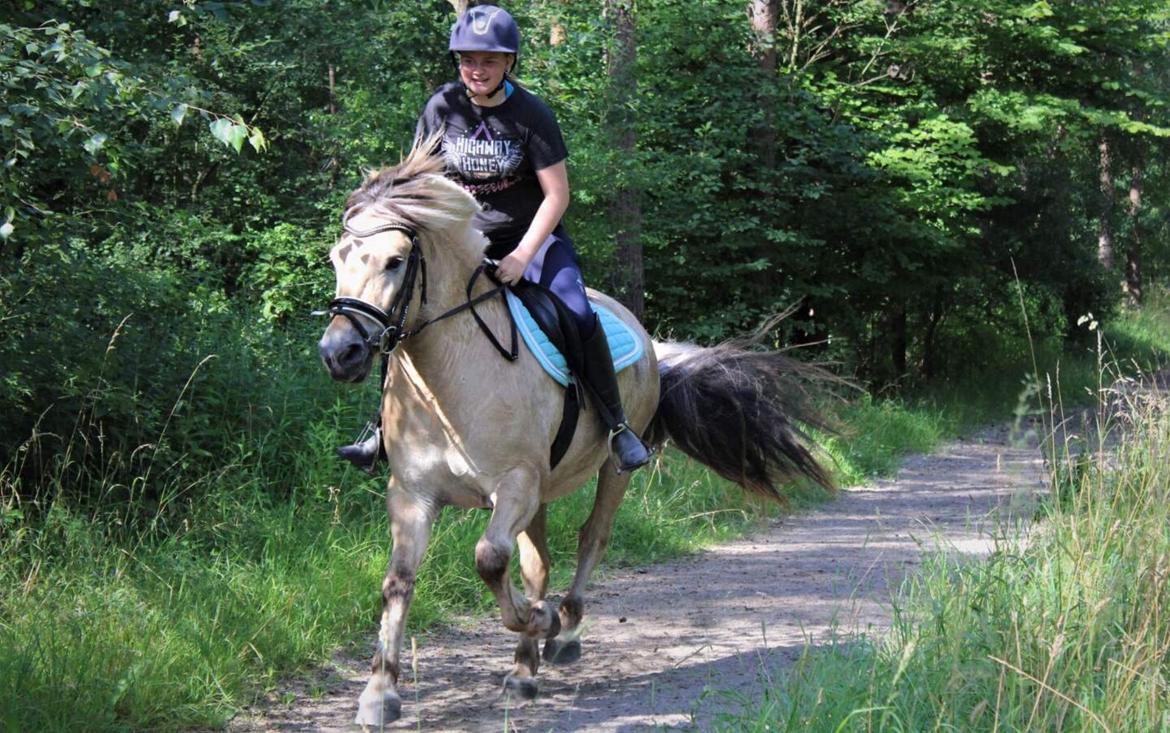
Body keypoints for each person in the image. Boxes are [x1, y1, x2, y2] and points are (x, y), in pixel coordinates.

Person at [338, 4, 651, 474]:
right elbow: (417, 185)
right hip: (461, 245)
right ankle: (382, 430)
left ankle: (617, 425)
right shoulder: (441, 107)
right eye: (467, 59)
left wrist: (524, 255)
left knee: (578, 312)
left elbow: (557, 195)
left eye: (488, 60)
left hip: (533, 242)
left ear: (509, 62)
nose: (476, 70)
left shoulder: (531, 114)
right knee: (401, 311)